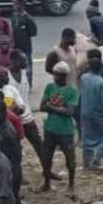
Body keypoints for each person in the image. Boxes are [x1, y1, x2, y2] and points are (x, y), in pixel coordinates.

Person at [0, 63, 42, 170]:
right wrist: (12, 109)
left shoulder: (11, 89)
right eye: (4, 77)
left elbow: (21, 108)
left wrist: (11, 110)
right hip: (2, 128)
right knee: (8, 152)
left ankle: (46, 170)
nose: (7, 79)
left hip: (22, 122)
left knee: (38, 146)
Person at [39, 61, 78, 193]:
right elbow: (42, 107)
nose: (54, 77)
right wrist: (59, 108)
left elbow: (69, 112)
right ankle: (46, 183)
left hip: (65, 131)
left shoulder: (72, 91)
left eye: (57, 75)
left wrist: (51, 106)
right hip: (50, 129)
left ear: (63, 76)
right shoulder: (50, 87)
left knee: (70, 159)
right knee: (47, 157)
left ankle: (71, 185)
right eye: (54, 75)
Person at [9, 0, 38, 86]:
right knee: (15, 65)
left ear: (21, 6)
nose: (14, 6)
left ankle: (28, 84)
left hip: (25, 47)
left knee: (27, 66)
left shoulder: (28, 19)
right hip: (15, 46)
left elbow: (33, 32)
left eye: (16, 4)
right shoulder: (14, 17)